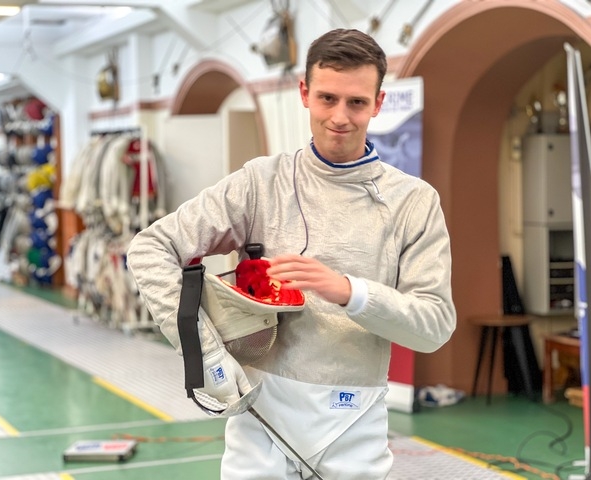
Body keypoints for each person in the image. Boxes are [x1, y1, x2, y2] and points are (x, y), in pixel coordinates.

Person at [127, 28, 456, 480]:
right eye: (327, 98)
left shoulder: (413, 202)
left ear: (378, 103)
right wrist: (204, 355)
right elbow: (150, 247)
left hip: (354, 420)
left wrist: (348, 292)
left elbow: (434, 325)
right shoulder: (260, 183)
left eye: (357, 102)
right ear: (304, 93)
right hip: (260, 413)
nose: (340, 117)